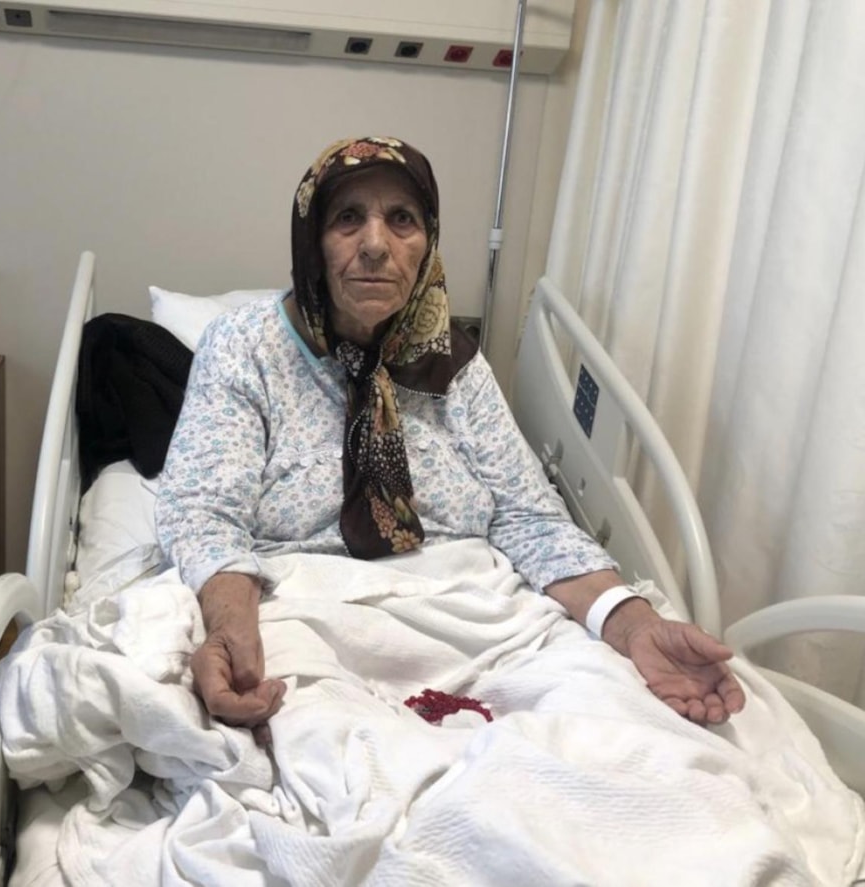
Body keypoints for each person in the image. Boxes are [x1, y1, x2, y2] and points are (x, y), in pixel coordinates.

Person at [154, 136, 745, 745]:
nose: (376, 244)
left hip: (477, 614)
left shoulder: (452, 363)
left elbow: (529, 518)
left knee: (621, 743)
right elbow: (205, 515)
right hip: (313, 613)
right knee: (333, 753)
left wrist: (633, 625)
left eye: (402, 220)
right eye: (348, 219)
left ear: (427, 242)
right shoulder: (246, 349)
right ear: (312, 240)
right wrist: (230, 629)